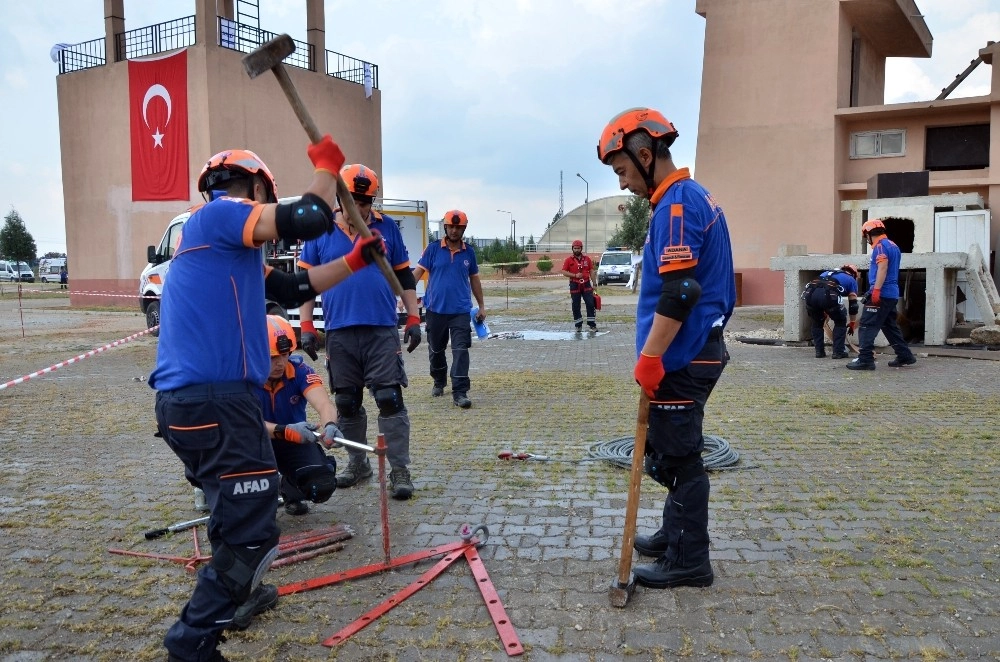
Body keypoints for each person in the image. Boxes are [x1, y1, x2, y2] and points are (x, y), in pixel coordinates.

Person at [149, 139, 386, 662]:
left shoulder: (221, 249)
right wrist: (328, 168)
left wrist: (354, 259)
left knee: (231, 516)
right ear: (257, 189)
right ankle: (190, 646)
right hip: (216, 401)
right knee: (253, 537)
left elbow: (291, 282)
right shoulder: (220, 217)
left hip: (191, 405)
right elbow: (307, 217)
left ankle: (231, 608)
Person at [598, 107, 735, 589]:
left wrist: (652, 357)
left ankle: (688, 561)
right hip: (689, 349)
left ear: (644, 153)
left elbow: (681, 292)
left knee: (680, 460)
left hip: (684, 352)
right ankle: (672, 532)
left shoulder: (677, 204)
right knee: (666, 447)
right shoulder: (680, 199)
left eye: (621, 171)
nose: (622, 184)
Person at [297, 163, 423, 500]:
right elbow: (305, 284)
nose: (362, 208)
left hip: (381, 329)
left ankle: (399, 469)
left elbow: (405, 276)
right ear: (341, 198)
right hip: (339, 331)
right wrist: (307, 326)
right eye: (355, 200)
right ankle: (358, 462)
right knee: (347, 402)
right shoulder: (321, 232)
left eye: (367, 201)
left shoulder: (386, 230)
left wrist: (413, 317)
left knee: (389, 398)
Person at [259, 315, 343, 517]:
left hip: (294, 439)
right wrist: (284, 431)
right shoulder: (241, 378)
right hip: (254, 443)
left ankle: (288, 488)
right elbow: (241, 423)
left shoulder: (299, 371)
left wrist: (330, 424)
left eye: (285, 354)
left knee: (320, 484)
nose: (280, 363)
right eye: (272, 358)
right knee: (254, 499)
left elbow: (323, 404)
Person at [411, 209, 486, 409]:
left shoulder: (469, 252)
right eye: (451, 227)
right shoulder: (433, 249)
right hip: (436, 310)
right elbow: (417, 274)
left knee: (461, 350)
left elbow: (475, 280)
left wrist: (481, 306)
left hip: (461, 311)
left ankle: (460, 392)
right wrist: (404, 294)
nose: (454, 230)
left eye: (458, 227)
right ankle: (439, 380)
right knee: (436, 350)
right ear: (445, 227)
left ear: (464, 229)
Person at [846, 218, 917, 370]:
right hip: (891, 294)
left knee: (866, 325)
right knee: (889, 326)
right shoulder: (893, 246)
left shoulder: (880, 247)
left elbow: (883, 268)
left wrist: (876, 290)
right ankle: (905, 355)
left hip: (881, 293)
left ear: (868, 234)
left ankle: (865, 359)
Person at [802, 263, 860, 359]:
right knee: (840, 321)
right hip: (829, 297)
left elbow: (820, 290)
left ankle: (819, 352)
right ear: (854, 274)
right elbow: (853, 305)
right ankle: (838, 352)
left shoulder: (825, 273)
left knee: (817, 322)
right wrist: (853, 322)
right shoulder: (851, 279)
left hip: (811, 297)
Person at [560, 239, 598, 331]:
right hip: (574, 284)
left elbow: (592, 271)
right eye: (575, 248)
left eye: (578, 248)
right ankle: (578, 325)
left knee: (590, 303)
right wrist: (575, 275)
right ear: (572, 249)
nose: (576, 250)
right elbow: (563, 272)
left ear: (581, 248)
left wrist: (594, 283)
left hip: (586, 284)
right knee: (576, 305)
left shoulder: (587, 259)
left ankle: (592, 324)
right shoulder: (569, 260)